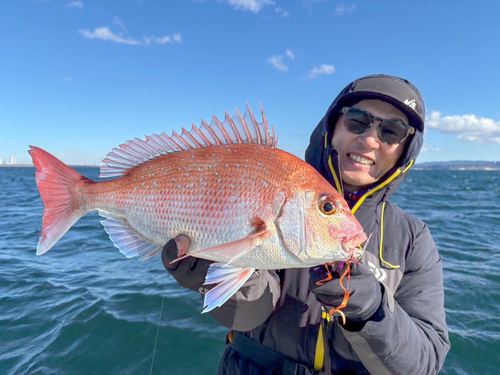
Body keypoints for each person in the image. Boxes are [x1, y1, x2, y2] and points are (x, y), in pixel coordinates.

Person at [161, 74, 450, 374]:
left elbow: (424, 362)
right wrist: (216, 274)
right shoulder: (281, 195)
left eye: (392, 131)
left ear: (406, 150)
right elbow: (247, 314)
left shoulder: (414, 238)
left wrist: (372, 312)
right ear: (332, 126)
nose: (369, 140)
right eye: (357, 120)